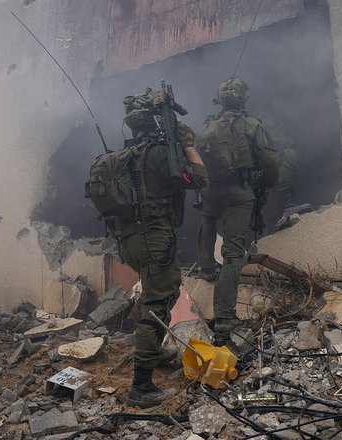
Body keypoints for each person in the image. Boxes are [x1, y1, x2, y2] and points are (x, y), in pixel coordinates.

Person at [119, 88, 208, 408]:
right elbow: (199, 178)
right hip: (154, 239)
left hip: (130, 241)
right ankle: (141, 386)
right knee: (156, 305)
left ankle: (153, 353)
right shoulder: (158, 153)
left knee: (164, 294)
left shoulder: (126, 156)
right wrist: (187, 143)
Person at [195, 78, 279, 345]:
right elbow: (270, 161)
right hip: (240, 191)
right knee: (233, 253)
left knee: (208, 219)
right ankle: (224, 316)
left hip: (211, 190)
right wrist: (267, 185)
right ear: (244, 98)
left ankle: (206, 268)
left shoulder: (206, 127)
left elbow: (195, 158)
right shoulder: (253, 125)